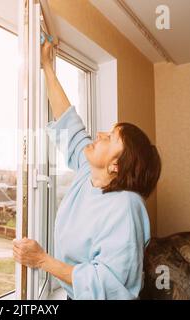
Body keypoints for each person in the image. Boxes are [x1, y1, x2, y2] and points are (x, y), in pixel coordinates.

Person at [12, 37, 162, 300]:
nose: (101, 134)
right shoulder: (87, 174)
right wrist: (46, 64)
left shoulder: (126, 206)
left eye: (111, 138)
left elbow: (106, 282)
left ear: (116, 165)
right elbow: (68, 122)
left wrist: (41, 261)